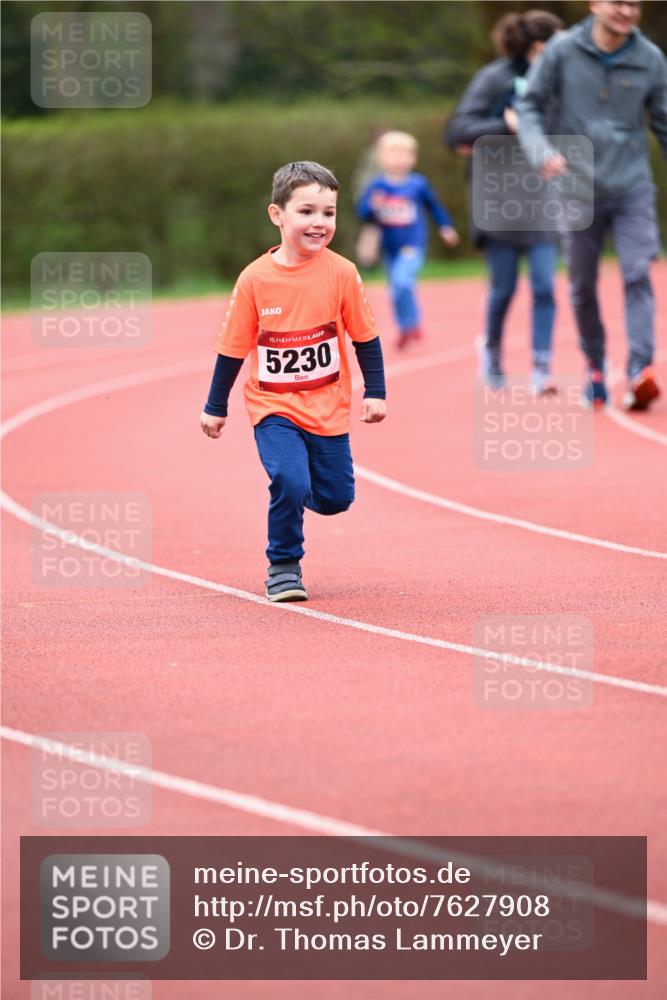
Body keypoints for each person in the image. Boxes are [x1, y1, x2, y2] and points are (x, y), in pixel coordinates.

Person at [200, 161, 387, 602]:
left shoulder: (341, 272)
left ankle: (298, 491)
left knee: (337, 497)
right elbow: (231, 348)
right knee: (289, 478)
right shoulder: (254, 279)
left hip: (329, 407)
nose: (319, 223)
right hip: (274, 407)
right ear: (277, 215)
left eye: (329, 213)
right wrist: (215, 405)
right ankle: (283, 565)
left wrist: (376, 391)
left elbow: (365, 336)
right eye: (306, 211)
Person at [517, 0, 667, 410]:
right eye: (617, 2)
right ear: (595, 4)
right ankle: (595, 368)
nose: (626, 11)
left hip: (632, 186)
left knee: (638, 273)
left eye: (634, 4)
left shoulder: (649, 58)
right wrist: (540, 151)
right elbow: (528, 105)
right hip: (575, 188)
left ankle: (639, 370)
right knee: (583, 286)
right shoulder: (562, 50)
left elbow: (664, 122)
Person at [446, 10, 564, 395]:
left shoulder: (560, 80)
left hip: (541, 200)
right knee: (505, 288)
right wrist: (506, 127)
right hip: (497, 200)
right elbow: (458, 131)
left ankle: (542, 368)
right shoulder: (494, 78)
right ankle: (493, 354)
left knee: (546, 286)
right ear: (537, 46)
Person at [356, 130, 460, 349]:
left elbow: (435, 206)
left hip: (413, 244)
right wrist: (372, 206)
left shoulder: (417, 184)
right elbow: (363, 214)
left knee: (403, 281)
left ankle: (412, 324)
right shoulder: (377, 186)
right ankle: (405, 327)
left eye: (406, 153)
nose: (400, 158)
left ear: (414, 158)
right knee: (396, 289)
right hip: (389, 248)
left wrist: (446, 227)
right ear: (382, 157)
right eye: (394, 153)